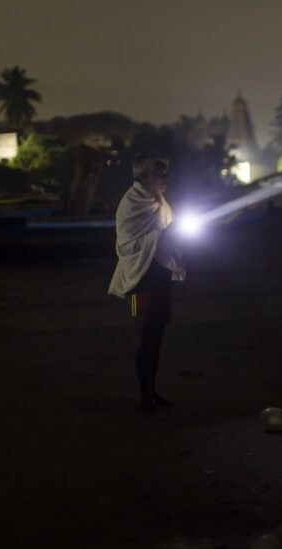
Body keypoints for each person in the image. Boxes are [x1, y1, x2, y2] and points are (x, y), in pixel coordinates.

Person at [108, 154, 186, 412]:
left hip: (159, 278)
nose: (166, 178)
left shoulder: (158, 201)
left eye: (166, 173)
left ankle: (152, 391)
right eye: (160, 173)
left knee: (156, 337)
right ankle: (145, 396)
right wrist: (163, 235)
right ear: (144, 177)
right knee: (144, 337)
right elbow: (127, 246)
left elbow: (165, 235)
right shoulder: (130, 204)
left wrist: (167, 236)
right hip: (137, 283)